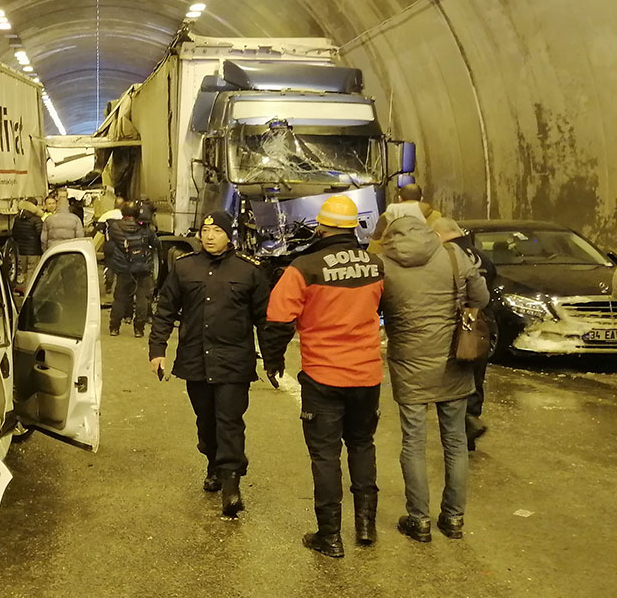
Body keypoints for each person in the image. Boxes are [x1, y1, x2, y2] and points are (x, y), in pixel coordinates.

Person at [260, 194, 385, 558]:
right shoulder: (374, 265)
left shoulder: (304, 267)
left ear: (321, 226)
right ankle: (366, 527)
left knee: (325, 456)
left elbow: (278, 321)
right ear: (352, 227)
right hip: (367, 375)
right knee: (362, 446)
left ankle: (330, 537)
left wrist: (273, 362)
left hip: (324, 376)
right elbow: (382, 308)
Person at [149, 210, 269, 518]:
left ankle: (231, 486)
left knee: (230, 421)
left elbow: (264, 319)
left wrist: (272, 358)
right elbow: (165, 310)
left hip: (234, 363)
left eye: (216, 231)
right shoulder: (184, 268)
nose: (209, 236)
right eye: (205, 231)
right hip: (195, 360)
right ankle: (213, 465)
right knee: (207, 421)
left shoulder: (248, 271)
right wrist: (157, 349)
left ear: (229, 235)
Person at [380, 216, 489, 543]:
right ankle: (453, 519)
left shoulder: (382, 264)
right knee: (455, 441)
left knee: (413, 443)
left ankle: (419, 520)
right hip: (452, 360)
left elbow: (373, 307)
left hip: (409, 362)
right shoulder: (455, 256)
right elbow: (481, 299)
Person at [433, 217, 497, 450]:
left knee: (455, 376)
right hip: (481, 323)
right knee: (476, 374)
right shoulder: (482, 257)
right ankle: (472, 419)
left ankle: (463, 427)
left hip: (458, 322)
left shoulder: (446, 256)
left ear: (439, 235)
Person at [105, 204, 159, 338]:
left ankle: (114, 327)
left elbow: (112, 244)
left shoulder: (115, 227)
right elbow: (156, 243)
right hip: (143, 268)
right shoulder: (144, 228)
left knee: (120, 298)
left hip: (124, 268)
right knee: (142, 299)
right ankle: (139, 330)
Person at [368, 183, 443, 253]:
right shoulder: (436, 216)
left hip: (396, 262)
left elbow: (376, 244)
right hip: (428, 261)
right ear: (421, 199)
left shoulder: (387, 216)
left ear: (399, 198)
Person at [92, 195, 126, 296]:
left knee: (109, 265)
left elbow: (99, 228)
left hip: (109, 245)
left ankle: (108, 285)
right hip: (123, 245)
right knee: (123, 266)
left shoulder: (107, 215)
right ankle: (122, 287)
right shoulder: (126, 216)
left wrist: (107, 234)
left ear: (114, 204)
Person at [10, 197, 44, 286]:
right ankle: (28, 293)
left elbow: (14, 234)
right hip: (34, 251)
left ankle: (24, 289)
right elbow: (40, 234)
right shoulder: (37, 219)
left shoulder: (17, 219)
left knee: (24, 272)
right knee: (32, 272)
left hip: (21, 251)